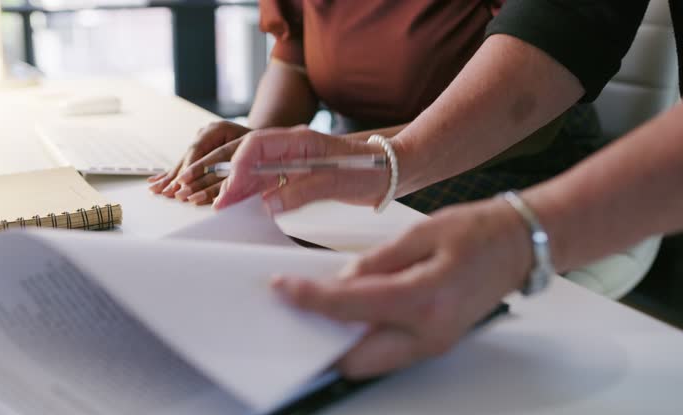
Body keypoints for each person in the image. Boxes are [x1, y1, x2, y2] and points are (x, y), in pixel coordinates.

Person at [212, 1, 683, 378]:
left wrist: (521, 236)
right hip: (399, 154)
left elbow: (560, 26)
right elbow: (558, 21)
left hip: (515, 160)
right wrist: (385, 159)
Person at [149, 0, 601, 215]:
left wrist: (340, 157)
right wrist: (259, 137)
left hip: (505, 156)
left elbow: (531, 115)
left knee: (318, 232)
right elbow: (296, 58)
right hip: (361, 148)